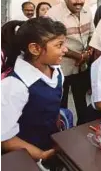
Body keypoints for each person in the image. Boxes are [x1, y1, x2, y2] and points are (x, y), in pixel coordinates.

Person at [1, 17, 67, 165]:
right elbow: (5, 139)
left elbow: (53, 105)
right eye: (59, 45)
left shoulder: (56, 70)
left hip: (49, 143)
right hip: (26, 155)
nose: (66, 49)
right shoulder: (15, 85)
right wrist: (42, 155)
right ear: (35, 49)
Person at [47, 0, 95, 125]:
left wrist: (87, 52)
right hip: (61, 67)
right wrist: (78, 56)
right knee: (61, 104)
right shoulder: (53, 14)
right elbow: (53, 43)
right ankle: (63, 133)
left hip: (82, 66)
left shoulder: (87, 11)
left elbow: (93, 35)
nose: (79, 2)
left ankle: (82, 130)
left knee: (82, 103)